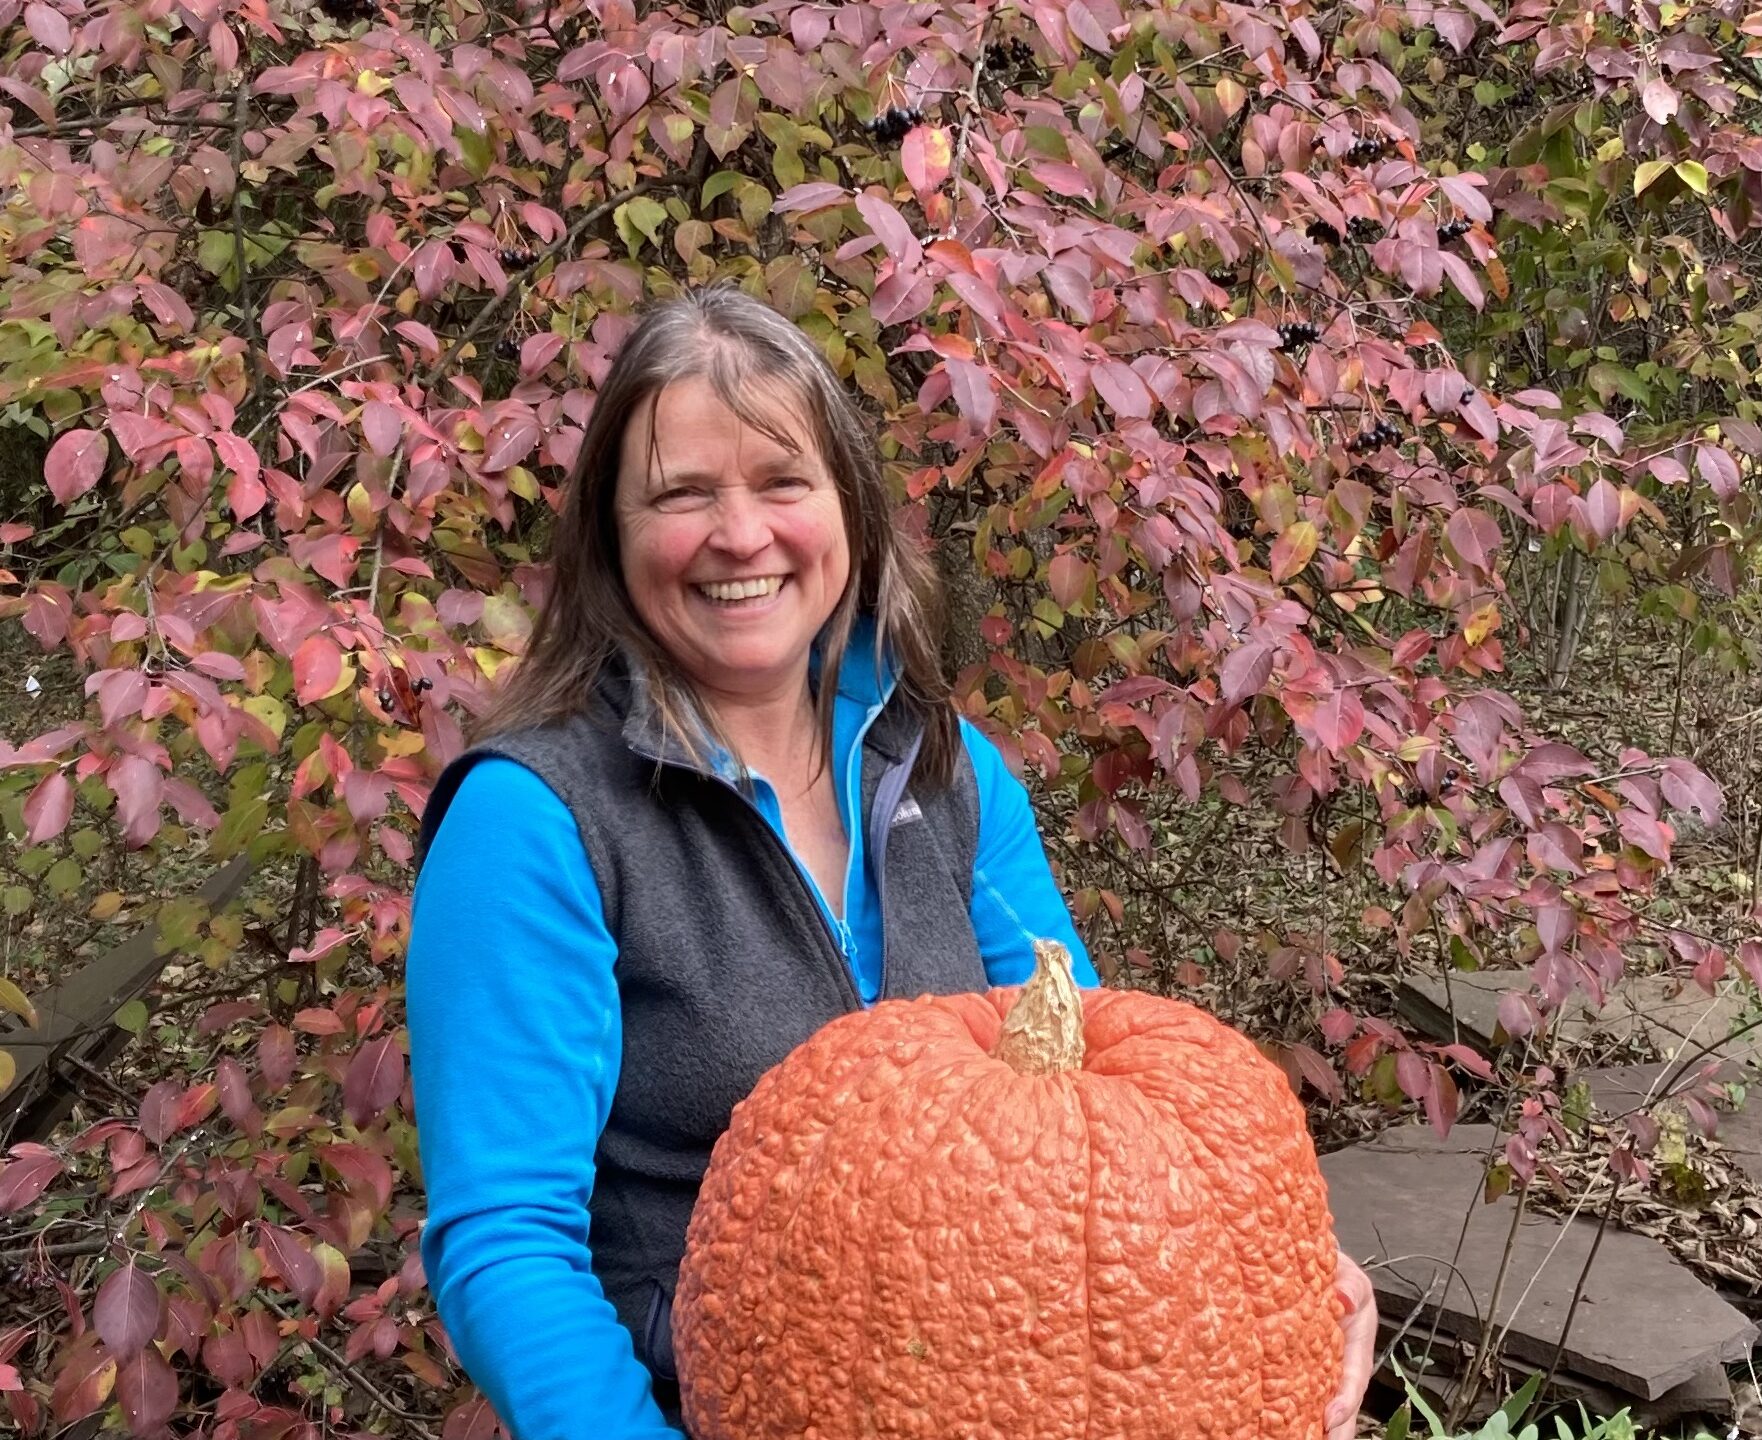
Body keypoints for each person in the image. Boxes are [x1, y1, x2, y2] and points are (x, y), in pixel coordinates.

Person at [405, 284, 1377, 1440]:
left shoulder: (947, 770)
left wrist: (1279, 1282)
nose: (740, 534)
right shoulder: (533, 820)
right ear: (611, 538)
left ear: (851, 511)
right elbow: (507, 1243)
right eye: (682, 493)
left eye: (782, 482)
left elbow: (1090, 1096)